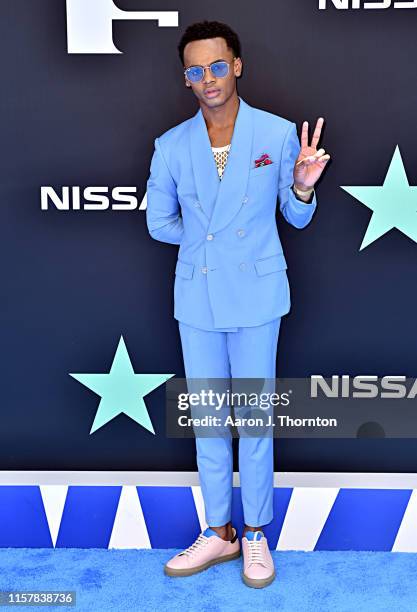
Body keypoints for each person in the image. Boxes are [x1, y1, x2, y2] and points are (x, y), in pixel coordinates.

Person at [146, 20, 330, 588]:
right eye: (195, 71)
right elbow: (159, 223)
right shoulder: (172, 145)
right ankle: (218, 532)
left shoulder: (276, 136)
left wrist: (301, 185)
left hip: (255, 293)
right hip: (196, 295)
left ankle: (254, 534)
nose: (208, 79)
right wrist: (210, 242)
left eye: (217, 66)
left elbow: (296, 216)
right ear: (186, 79)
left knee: (252, 420)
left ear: (237, 66)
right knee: (207, 419)